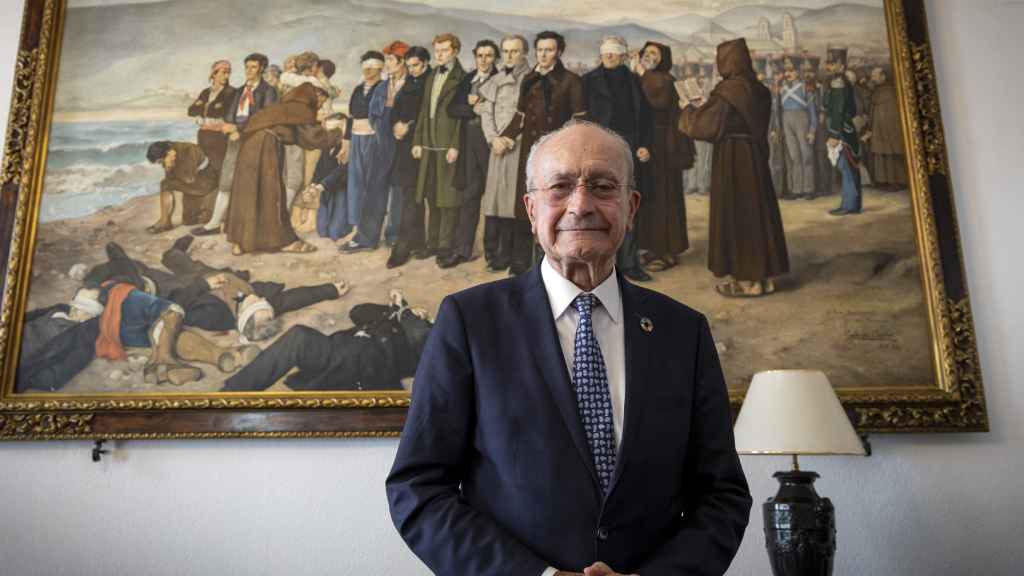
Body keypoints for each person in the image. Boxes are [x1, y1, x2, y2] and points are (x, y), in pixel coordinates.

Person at [387, 121, 751, 575]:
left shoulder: (683, 332)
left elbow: (722, 495)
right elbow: (418, 487)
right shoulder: (469, 322)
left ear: (630, 206)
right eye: (560, 187)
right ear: (530, 208)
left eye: (602, 186)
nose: (581, 205)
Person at [679, 38, 789, 298]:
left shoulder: (728, 92)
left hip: (733, 159)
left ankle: (748, 282)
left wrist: (687, 110)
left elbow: (702, 127)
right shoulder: (759, 89)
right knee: (757, 215)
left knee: (739, 216)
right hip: (755, 158)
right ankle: (764, 279)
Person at [496, 30, 586, 276]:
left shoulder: (571, 80)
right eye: (540, 50)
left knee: (556, 207)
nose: (543, 54)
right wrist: (505, 136)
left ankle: (555, 264)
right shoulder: (529, 79)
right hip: (530, 153)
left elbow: (580, 122)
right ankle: (521, 262)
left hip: (558, 156)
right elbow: (520, 116)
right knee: (526, 205)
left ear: (559, 52)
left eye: (549, 50)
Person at [222, 290, 431, 393]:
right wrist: (394, 309)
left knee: (299, 338)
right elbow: (358, 312)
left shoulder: (431, 334)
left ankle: (232, 392)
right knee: (297, 339)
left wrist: (407, 313)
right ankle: (236, 390)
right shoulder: (398, 319)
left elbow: (420, 336)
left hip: (363, 361)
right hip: (343, 350)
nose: (425, 314)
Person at [225, 82, 341, 255]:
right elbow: (312, 137)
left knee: (247, 192)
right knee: (272, 192)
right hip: (266, 148)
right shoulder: (301, 109)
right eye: (322, 99)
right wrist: (338, 133)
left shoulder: (283, 107)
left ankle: (240, 243)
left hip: (249, 148)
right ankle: (284, 241)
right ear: (314, 94)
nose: (321, 104)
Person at [583, 35, 653, 282]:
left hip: (630, 145)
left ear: (623, 55)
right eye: (606, 52)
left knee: (627, 203)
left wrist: (644, 144)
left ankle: (629, 263)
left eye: (614, 52)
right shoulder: (589, 80)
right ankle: (600, 265)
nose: (609, 56)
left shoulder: (634, 80)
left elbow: (645, 115)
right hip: (599, 146)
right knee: (599, 203)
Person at [192, 53, 278, 236]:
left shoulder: (268, 91)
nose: (248, 71)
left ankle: (253, 228)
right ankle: (214, 224)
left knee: (251, 183)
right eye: (247, 67)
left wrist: (239, 128)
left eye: (253, 67)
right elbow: (230, 113)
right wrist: (230, 127)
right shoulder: (239, 91)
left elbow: (265, 118)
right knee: (226, 181)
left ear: (261, 69)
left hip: (255, 141)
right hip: (234, 140)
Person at [636, 41, 695, 271]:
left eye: (654, 54)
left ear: (663, 59)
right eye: (647, 52)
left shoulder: (664, 80)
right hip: (648, 141)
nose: (649, 56)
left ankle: (667, 251)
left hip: (664, 145)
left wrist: (644, 75)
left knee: (665, 197)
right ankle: (654, 247)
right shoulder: (646, 77)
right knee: (650, 197)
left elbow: (657, 102)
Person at [411, 33, 466, 266]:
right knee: (431, 196)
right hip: (429, 145)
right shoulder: (432, 74)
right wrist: (417, 141)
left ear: (455, 51)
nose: (440, 55)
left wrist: (455, 145)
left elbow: (462, 118)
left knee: (449, 199)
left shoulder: (463, 77)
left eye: (444, 50)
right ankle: (432, 243)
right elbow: (424, 111)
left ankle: (445, 246)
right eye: (437, 51)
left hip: (447, 146)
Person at [444, 39, 499, 268]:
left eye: (488, 56)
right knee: (468, 197)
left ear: (495, 58)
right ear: (475, 57)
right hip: (469, 146)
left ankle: (494, 254)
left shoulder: (501, 79)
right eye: (480, 55)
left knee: (495, 200)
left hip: (492, 146)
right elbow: (451, 108)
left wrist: (483, 108)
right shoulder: (469, 79)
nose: (484, 60)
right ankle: (462, 250)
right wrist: (471, 108)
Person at [478, 34, 531, 272]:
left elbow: (530, 116)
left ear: (524, 53)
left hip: (520, 147)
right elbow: (486, 113)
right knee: (496, 201)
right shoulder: (495, 80)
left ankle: (519, 258)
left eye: (515, 51)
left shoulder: (532, 80)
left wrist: (510, 139)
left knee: (516, 202)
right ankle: (498, 255)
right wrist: (493, 138)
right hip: (497, 148)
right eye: (506, 51)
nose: (510, 56)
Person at [338, 51, 395, 252]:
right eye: (365, 66)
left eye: (372, 66)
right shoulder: (357, 89)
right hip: (356, 139)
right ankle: (358, 229)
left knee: (373, 187)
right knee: (356, 185)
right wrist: (346, 143)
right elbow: (351, 117)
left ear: (380, 68)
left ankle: (369, 235)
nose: (368, 70)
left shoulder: (385, 87)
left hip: (375, 140)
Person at [385, 45, 431, 268]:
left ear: (425, 63)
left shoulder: (429, 82)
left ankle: (404, 246)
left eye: (416, 65)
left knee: (414, 196)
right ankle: (418, 243)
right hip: (405, 147)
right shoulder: (409, 83)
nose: (412, 70)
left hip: (422, 146)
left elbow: (426, 116)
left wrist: (408, 127)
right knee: (410, 195)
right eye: (409, 65)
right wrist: (396, 125)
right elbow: (396, 110)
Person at [822, 48, 863, 215]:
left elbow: (838, 111)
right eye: (828, 63)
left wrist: (834, 135)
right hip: (846, 128)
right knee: (847, 167)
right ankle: (851, 204)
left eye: (832, 63)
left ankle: (849, 205)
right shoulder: (842, 81)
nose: (828, 66)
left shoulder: (838, 83)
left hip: (840, 131)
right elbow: (852, 111)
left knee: (846, 167)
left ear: (841, 65)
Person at [144, 141, 218, 234]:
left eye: (161, 161)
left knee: (165, 184)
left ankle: (164, 221)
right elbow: (170, 178)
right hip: (195, 180)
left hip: (206, 181)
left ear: (169, 152)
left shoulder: (188, 150)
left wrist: (171, 166)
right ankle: (165, 221)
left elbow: (189, 179)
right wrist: (169, 168)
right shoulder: (168, 153)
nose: (161, 164)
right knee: (188, 220)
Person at [187, 60, 236, 192]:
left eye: (228, 73)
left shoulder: (231, 92)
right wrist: (203, 114)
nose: (226, 76)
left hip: (219, 137)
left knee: (219, 168)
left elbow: (225, 114)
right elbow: (191, 110)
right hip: (203, 136)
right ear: (214, 74)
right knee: (204, 166)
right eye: (223, 72)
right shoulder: (205, 92)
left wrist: (203, 115)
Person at [778, 57, 817, 200]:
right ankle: (796, 189)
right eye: (786, 70)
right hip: (786, 119)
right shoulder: (782, 88)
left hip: (802, 119)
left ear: (797, 71)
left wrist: (812, 130)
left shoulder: (805, 87)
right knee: (794, 156)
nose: (788, 73)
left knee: (806, 154)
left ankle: (808, 189)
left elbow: (812, 111)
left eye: (791, 70)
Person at [864, 67, 906, 191]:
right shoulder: (876, 91)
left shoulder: (890, 91)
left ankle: (896, 182)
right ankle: (884, 181)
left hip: (891, 129)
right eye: (872, 76)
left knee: (892, 154)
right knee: (882, 154)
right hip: (878, 128)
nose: (872, 78)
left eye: (875, 76)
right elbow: (872, 110)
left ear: (883, 76)